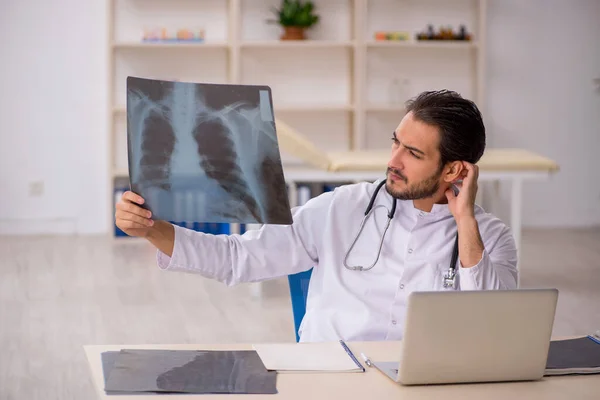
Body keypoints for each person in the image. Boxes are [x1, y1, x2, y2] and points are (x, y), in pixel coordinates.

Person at [115, 90, 518, 343]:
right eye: (396, 143)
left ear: (454, 171)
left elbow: (494, 328)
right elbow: (238, 257)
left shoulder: (490, 238)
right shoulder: (342, 207)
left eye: (413, 154)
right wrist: (153, 229)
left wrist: (465, 221)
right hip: (331, 381)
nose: (392, 161)